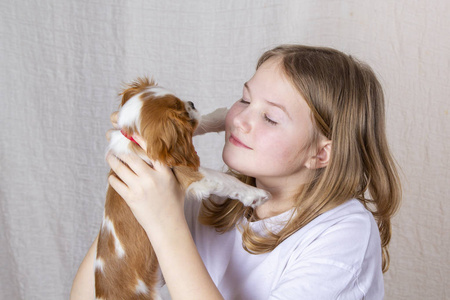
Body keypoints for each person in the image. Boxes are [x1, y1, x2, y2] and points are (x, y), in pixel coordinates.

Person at [71, 44, 401, 300]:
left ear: (320, 153)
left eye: (270, 118)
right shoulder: (214, 201)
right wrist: (139, 171)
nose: (239, 120)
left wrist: (163, 220)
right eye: (244, 99)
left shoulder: (343, 234)